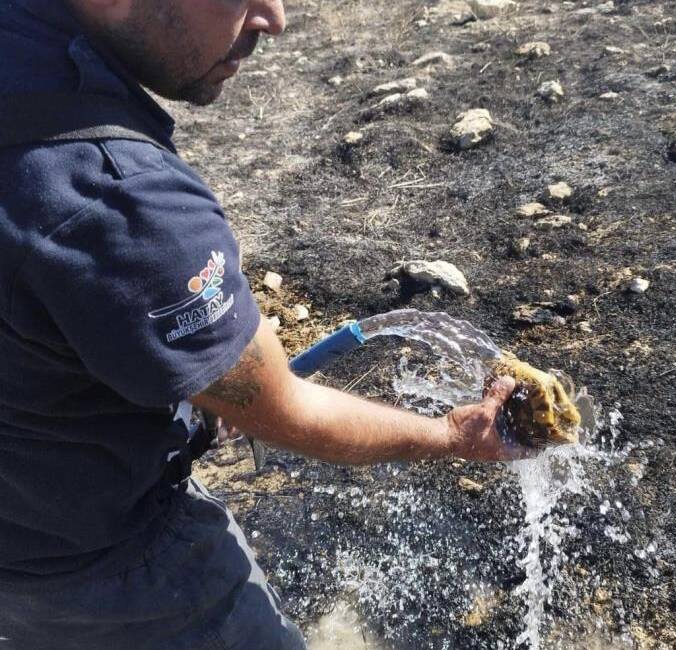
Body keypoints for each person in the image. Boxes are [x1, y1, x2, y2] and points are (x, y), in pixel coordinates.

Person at [0, 1, 523, 648]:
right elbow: (282, 411)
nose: (272, 18)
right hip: (99, 570)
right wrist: (454, 435)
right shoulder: (122, 202)